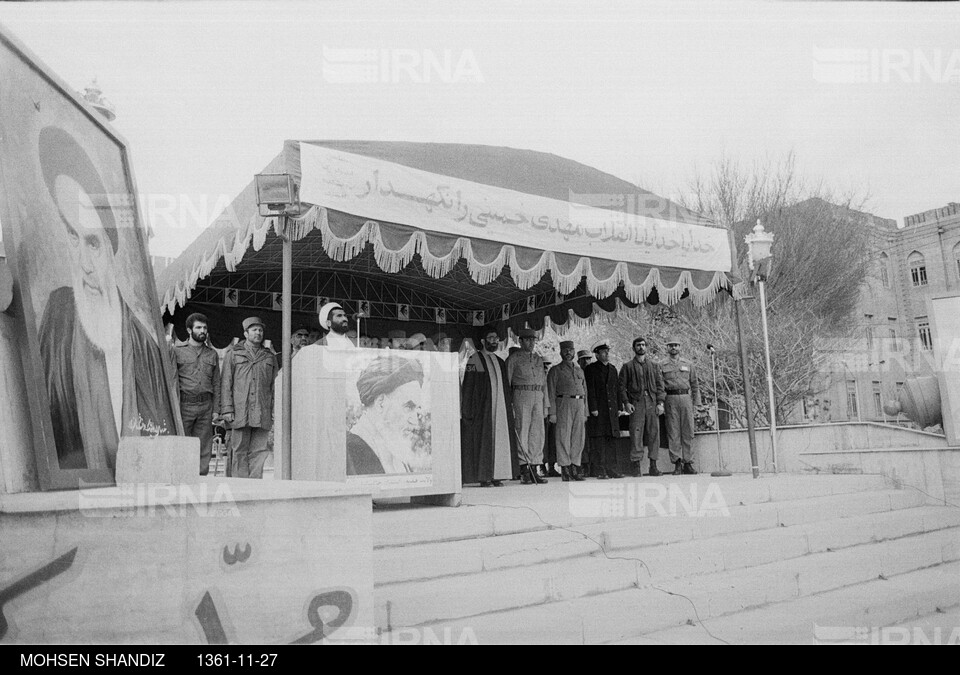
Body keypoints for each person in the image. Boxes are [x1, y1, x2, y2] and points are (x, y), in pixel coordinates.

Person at [36, 125, 175, 473]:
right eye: (73, 235)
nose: (83, 265)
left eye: (94, 243)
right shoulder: (59, 316)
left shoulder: (145, 347)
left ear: (112, 250)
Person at [460, 326, 520, 487]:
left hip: (500, 408)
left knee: (500, 441)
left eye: (496, 338)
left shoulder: (500, 361)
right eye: (491, 338)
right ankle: (484, 477)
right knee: (484, 442)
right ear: (482, 341)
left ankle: (497, 475)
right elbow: (468, 386)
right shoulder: (475, 359)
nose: (494, 341)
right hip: (482, 410)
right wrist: (467, 410)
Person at [221, 316, 278, 478]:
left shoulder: (269, 357)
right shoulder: (233, 354)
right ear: (245, 333)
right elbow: (226, 383)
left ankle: (255, 486)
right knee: (239, 450)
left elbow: (275, 386)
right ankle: (240, 486)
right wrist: (226, 409)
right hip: (240, 410)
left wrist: (274, 411)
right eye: (254, 330)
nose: (258, 333)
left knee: (259, 451)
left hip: (262, 411)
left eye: (260, 330)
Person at [347, 355, 425, 475]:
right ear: (381, 403)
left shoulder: (398, 452)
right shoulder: (349, 452)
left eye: (417, 410)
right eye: (408, 407)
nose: (415, 421)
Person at [170, 313, 221, 475]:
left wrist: (216, 409)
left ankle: (201, 479)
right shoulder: (177, 351)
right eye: (198, 327)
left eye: (205, 328)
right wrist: (174, 406)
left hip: (206, 406)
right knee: (182, 444)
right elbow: (172, 381)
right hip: (184, 404)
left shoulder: (211, 354)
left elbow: (216, 383)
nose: (202, 331)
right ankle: (182, 477)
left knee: (204, 445)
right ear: (189, 330)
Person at [506, 328, 549, 484]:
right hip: (521, 395)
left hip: (538, 396)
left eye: (533, 340)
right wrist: (509, 404)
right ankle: (524, 469)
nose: (531, 343)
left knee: (537, 433)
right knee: (522, 429)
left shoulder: (538, 358)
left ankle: (535, 467)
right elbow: (507, 383)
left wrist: (546, 405)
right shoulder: (513, 359)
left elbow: (544, 383)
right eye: (528, 340)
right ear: (521, 341)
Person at [618, 336, 665, 477]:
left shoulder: (654, 366)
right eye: (638, 345)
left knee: (654, 433)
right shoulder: (627, 367)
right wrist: (626, 403)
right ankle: (636, 465)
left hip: (652, 402)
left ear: (646, 347)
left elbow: (660, 386)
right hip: (636, 403)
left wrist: (660, 403)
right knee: (636, 434)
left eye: (643, 345)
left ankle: (653, 466)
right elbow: (621, 387)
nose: (641, 347)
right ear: (634, 348)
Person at [547, 341, 588, 481]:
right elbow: (550, 391)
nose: (568, 352)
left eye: (570, 350)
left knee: (578, 436)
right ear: (560, 352)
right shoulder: (555, 370)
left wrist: (585, 411)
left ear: (574, 351)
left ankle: (575, 466)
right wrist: (552, 412)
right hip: (563, 403)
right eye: (565, 350)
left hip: (579, 403)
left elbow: (585, 391)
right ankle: (565, 467)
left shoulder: (579, 370)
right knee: (563, 435)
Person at [584, 341, 625, 480]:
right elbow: (590, 389)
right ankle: (600, 470)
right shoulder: (591, 369)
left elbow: (617, 390)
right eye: (603, 351)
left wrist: (620, 407)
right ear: (596, 354)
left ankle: (612, 469)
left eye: (608, 351)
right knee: (599, 441)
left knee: (611, 441)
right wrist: (593, 407)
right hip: (599, 410)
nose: (607, 353)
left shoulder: (613, 369)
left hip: (612, 411)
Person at [661, 338, 701, 475]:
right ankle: (677, 463)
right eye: (671, 345)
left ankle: (688, 462)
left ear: (680, 347)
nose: (673, 348)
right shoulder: (661, 365)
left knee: (688, 431)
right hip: (670, 398)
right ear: (667, 348)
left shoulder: (688, 364)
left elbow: (695, 384)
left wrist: (697, 404)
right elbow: (660, 386)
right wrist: (660, 402)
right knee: (673, 431)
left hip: (685, 398)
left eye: (676, 345)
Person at [576, 349, 595, 475]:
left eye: (589, 359)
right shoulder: (577, 372)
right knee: (581, 439)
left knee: (591, 440)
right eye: (584, 359)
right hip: (580, 410)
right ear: (579, 361)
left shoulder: (593, 372)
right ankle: (583, 465)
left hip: (593, 411)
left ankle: (592, 465)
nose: (587, 361)